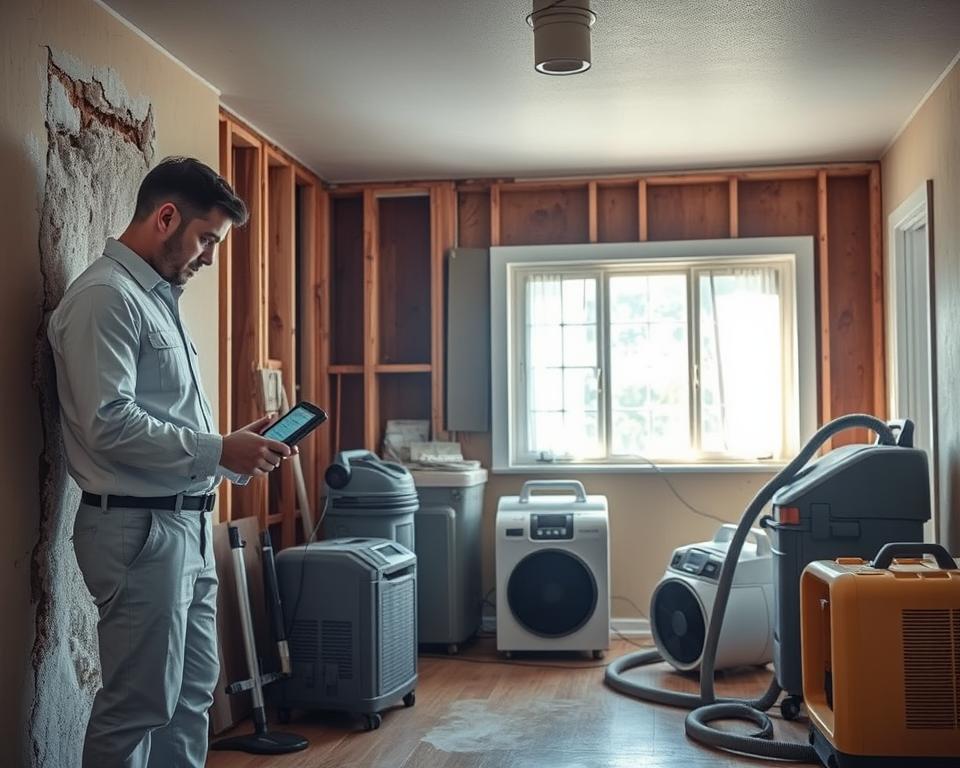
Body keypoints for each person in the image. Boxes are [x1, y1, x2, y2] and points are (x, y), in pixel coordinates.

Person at [48, 156, 292, 768]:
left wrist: (231, 447)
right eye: (206, 238)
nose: (209, 256)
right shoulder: (106, 298)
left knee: (191, 700)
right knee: (138, 707)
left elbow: (164, 418)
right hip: (138, 531)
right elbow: (108, 423)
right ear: (165, 217)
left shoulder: (158, 298)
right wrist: (216, 449)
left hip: (183, 525)